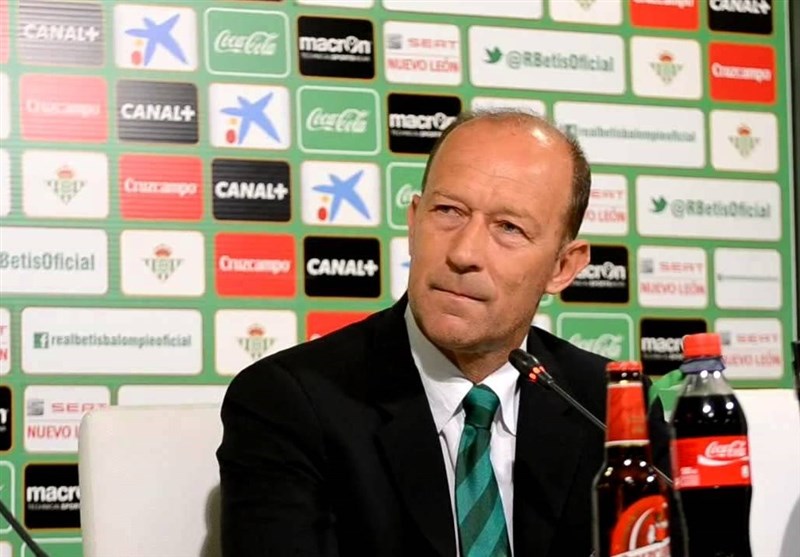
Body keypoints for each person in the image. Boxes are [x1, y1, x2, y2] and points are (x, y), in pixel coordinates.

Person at [216, 109, 673, 557]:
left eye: (509, 227)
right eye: (448, 211)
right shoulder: (289, 402)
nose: (464, 252)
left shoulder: (608, 405)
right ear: (414, 221)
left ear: (562, 267)